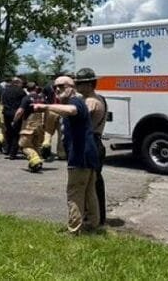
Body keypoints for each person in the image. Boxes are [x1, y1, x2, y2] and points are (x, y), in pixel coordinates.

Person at [32, 76, 100, 234]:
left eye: (61, 86)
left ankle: (74, 230)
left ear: (72, 87)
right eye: (55, 87)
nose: (57, 89)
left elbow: (72, 111)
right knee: (89, 192)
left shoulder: (75, 102)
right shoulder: (77, 101)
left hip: (80, 156)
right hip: (88, 155)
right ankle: (92, 226)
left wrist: (46, 106)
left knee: (74, 192)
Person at [75, 67, 108, 226]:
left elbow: (79, 118)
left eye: (80, 83)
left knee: (89, 184)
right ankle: (98, 217)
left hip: (91, 143)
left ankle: (94, 218)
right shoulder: (100, 98)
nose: (77, 86)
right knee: (95, 182)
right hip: (96, 142)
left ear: (89, 84)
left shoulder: (90, 101)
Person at [14, 84, 46, 172]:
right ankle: (37, 162)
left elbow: (20, 111)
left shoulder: (26, 98)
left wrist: (15, 120)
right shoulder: (42, 98)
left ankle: (34, 158)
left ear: (27, 89)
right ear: (36, 88)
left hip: (29, 124)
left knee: (23, 145)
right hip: (40, 124)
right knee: (36, 145)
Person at [0, 77, 26, 158]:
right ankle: (13, 153)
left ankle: (7, 149)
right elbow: (24, 103)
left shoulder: (5, 90)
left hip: (6, 113)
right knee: (16, 133)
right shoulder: (21, 91)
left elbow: (2, 101)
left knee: (8, 131)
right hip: (16, 113)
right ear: (18, 83)